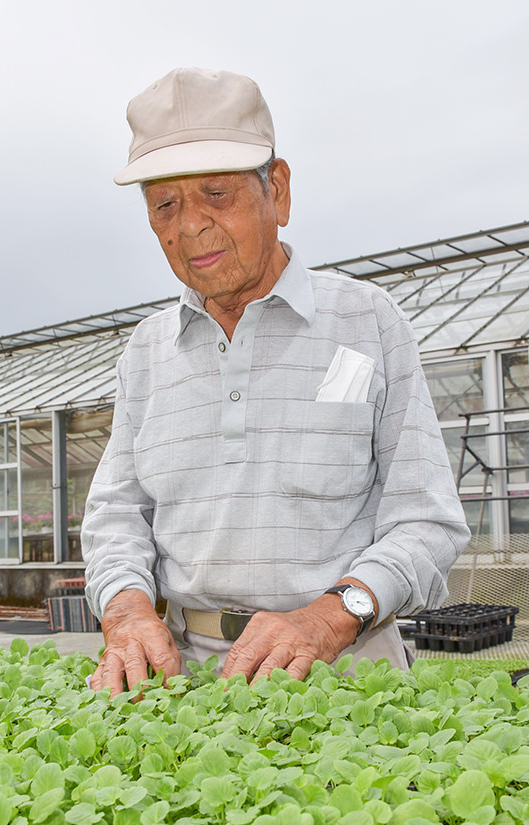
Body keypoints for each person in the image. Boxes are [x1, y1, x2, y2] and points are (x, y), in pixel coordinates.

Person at [81, 67, 470, 697]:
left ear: (278, 191)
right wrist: (125, 610)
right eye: (165, 205)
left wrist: (328, 618)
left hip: (345, 676)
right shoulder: (148, 350)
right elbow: (118, 513)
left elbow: (426, 521)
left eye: (216, 194)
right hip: (180, 682)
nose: (189, 227)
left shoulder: (367, 321)